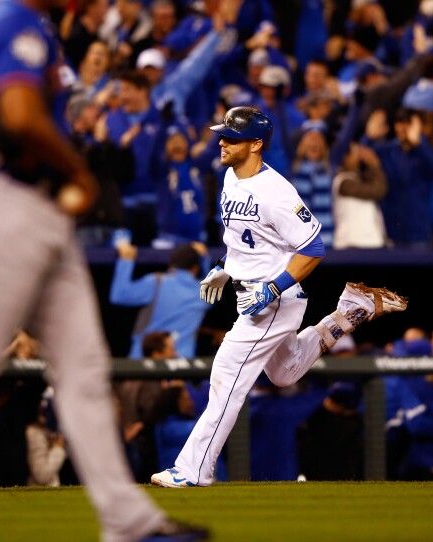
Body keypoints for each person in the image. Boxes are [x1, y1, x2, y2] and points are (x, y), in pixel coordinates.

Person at [0, 0, 205, 540]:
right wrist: (79, 170)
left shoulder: (32, 24)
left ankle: (129, 521)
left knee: (85, 370)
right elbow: (19, 114)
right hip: (0, 200)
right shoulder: (13, 18)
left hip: (36, 207)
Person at [151, 106, 407, 488]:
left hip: (273, 299)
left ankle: (193, 470)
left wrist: (274, 287)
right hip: (251, 291)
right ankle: (349, 313)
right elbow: (243, 239)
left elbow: (312, 247)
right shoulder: (229, 178)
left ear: (256, 144)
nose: (221, 142)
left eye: (231, 137)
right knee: (284, 372)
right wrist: (224, 266)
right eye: (222, 135)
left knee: (226, 377)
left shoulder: (277, 191)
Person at [109, 241, 211, 359]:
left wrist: (125, 260)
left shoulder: (156, 282)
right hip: (181, 369)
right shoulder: (203, 293)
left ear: (171, 266)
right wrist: (204, 258)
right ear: (195, 268)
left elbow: (119, 295)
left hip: (144, 366)